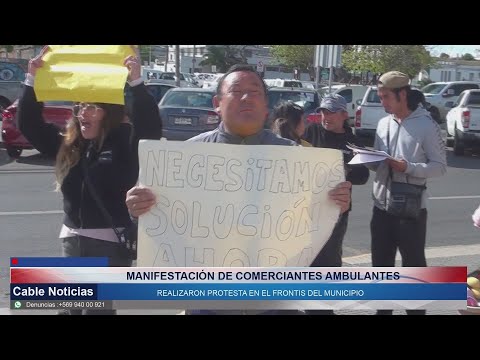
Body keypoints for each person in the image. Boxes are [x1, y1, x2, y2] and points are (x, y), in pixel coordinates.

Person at [125, 64, 353, 315]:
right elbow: (160, 226)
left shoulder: (296, 158)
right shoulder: (186, 158)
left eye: (255, 92)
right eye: (236, 91)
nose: (246, 97)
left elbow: (315, 225)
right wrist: (139, 208)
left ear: (266, 105)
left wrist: (337, 203)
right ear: (217, 103)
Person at [17, 46, 162, 315]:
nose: (83, 113)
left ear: (109, 111)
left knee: (96, 311)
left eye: (92, 107)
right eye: (80, 107)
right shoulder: (69, 144)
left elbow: (150, 129)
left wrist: (137, 83)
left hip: (110, 247)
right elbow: (28, 124)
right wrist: (32, 79)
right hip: (72, 241)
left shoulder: (124, 142)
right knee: (68, 311)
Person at [367, 71, 447, 315]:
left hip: (410, 211)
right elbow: (378, 160)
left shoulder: (426, 125)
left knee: (413, 270)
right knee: (381, 269)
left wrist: (408, 167)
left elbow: (440, 167)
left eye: (385, 97)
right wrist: (368, 160)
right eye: (380, 97)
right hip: (381, 207)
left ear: (403, 94)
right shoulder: (383, 123)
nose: (382, 103)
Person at [302, 94, 370, 315]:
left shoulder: (354, 142)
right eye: (322, 111)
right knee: (306, 258)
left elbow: (362, 177)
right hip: (307, 208)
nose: (325, 117)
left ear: (344, 115)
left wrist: (345, 171)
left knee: (329, 259)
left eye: (331, 112)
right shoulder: (311, 132)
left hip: (337, 210)